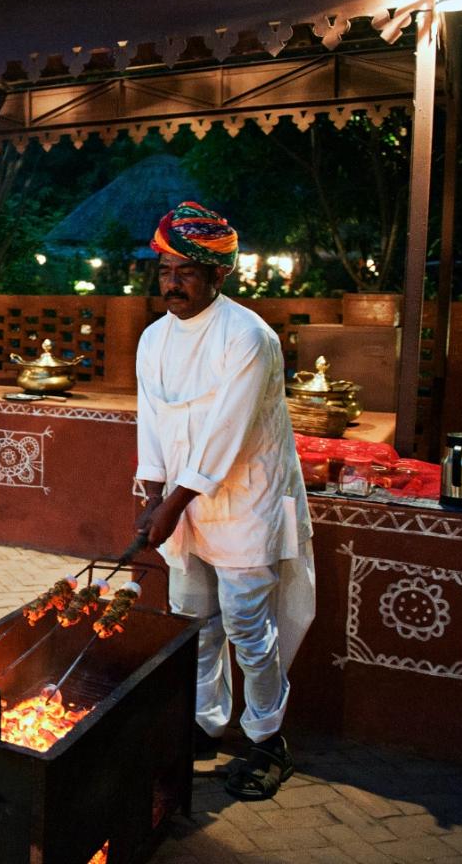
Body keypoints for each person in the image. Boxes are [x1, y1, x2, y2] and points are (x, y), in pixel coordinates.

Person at [132, 201, 314, 802]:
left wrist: (171, 505)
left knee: (247, 627)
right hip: (182, 505)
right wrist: (153, 493)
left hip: (246, 503)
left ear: (219, 274)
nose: (172, 284)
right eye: (165, 271)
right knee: (193, 622)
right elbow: (153, 423)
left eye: (186, 272)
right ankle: (206, 724)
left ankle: (268, 739)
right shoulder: (154, 339)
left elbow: (226, 434)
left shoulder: (249, 337)